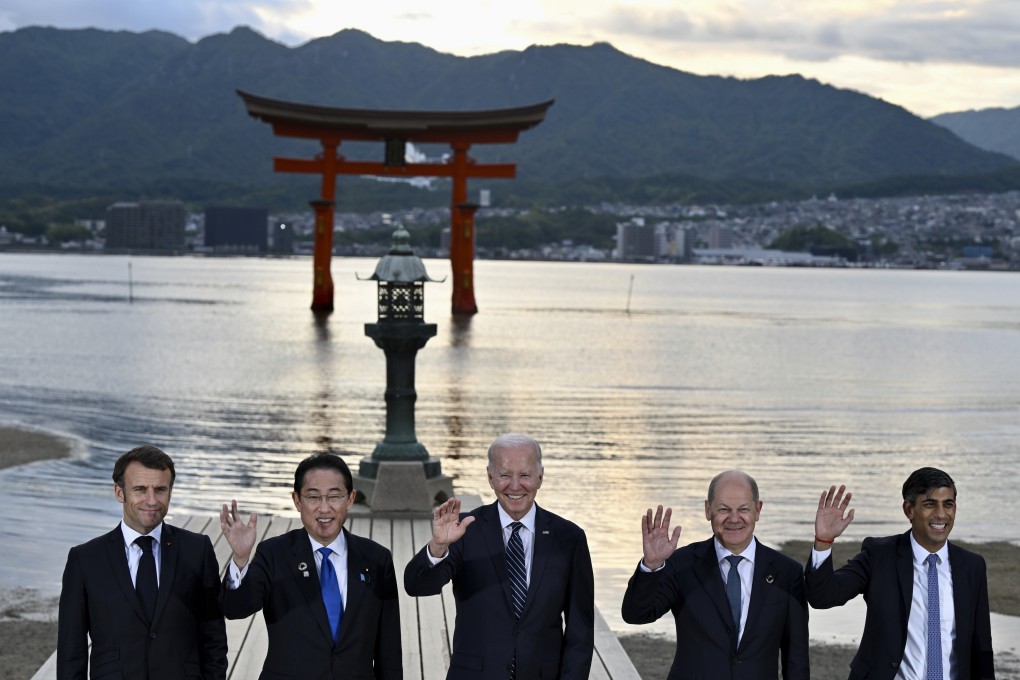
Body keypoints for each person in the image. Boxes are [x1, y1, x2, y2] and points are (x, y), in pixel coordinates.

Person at [404, 433, 594, 679]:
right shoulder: (464, 530)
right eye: (505, 475)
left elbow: (580, 631)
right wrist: (438, 546)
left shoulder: (569, 538)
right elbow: (417, 586)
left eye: (524, 475)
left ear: (540, 477)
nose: (515, 486)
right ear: (490, 477)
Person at [219, 452, 401, 679]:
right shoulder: (274, 554)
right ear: (297, 500)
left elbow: (389, 651)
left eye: (334, 496)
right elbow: (235, 609)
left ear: (351, 499)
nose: (324, 509)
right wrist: (240, 559)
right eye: (313, 497)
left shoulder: (377, 560)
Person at [807, 467, 995, 679]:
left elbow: (981, 648)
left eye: (948, 504)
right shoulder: (879, 555)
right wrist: (824, 541)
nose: (941, 514)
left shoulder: (972, 566)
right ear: (909, 509)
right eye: (930, 504)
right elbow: (822, 597)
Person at [57, 444, 227, 679]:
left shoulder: (198, 550)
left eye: (160, 489)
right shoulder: (84, 559)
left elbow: (214, 636)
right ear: (120, 493)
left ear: (170, 491)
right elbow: (70, 651)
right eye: (140, 489)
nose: (151, 500)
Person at [621, 470, 809, 679]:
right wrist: (651, 565)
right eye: (723, 509)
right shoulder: (681, 564)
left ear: (758, 509)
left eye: (743, 509)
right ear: (708, 510)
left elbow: (796, 658)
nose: (734, 519)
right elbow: (636, 615)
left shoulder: (788, 572)